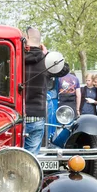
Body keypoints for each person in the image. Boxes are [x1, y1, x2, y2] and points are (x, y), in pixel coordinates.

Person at [23, 26, 70, 154]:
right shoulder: (47, 61)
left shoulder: (16, 59)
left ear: (26, 38)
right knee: (31, 158)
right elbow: (65, 68)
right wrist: (48, 55)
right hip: (37, 115)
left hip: (16, 116)